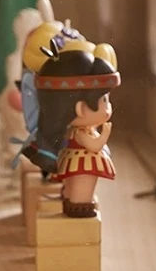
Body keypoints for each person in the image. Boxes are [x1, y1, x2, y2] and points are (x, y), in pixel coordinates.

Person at [25, 43, 121, 217]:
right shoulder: (81, 133)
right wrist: (105, 134)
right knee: (83, 186)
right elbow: (94, 146)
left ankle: (72, 200)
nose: (108, 108)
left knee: (73, 185)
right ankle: (80, 205)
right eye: (104, 101)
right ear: (81, 109)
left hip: (74, 162)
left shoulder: (78, 130)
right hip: (84, 165)